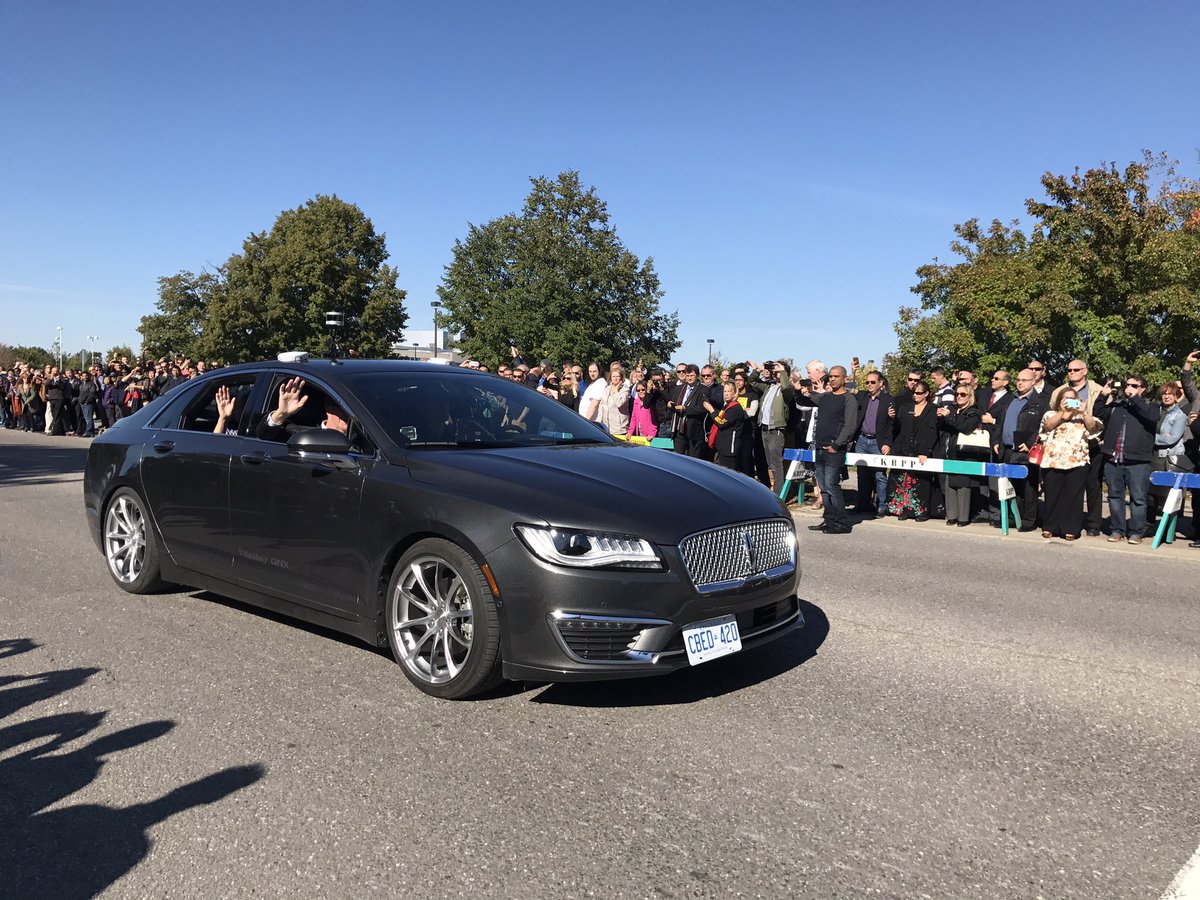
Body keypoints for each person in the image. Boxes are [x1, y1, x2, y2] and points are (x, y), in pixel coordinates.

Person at [1096, 374, 1157, 544]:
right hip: (1113, 458)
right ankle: (1117, 529)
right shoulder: (1118, 404)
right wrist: (1103, 395)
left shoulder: (1151, 405)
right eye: (1127, 385)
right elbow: (1098, 413)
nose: (1129, 388)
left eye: (1134, 386)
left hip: (1138, 461)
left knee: (1138, 498)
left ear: (1143, 389)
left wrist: (1135, 399)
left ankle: (1136, 531)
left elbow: (1152, 418)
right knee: (1115, 496)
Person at [1050, 360, 1106, 536]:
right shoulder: (1059, 391)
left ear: (1085, 371)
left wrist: (1084, 412)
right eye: (1069, 370)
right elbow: (1051, 414)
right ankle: (1063, 523)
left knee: (1093, 486)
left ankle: (1093, 524)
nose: (1072, 372)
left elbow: (1103, 415)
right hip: (1064, 448)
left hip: (1093, 442)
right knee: (1068, 489)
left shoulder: (1097, 389)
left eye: (1076, 369)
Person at [1038, 388, 1099, 540]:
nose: (1069, 401)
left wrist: (1084, 412)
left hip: (1077, 461)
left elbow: (1093, 427)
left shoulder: (1081, 417)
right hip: (1052, 461)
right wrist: (1061, 412)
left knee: (1073, 497)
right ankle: (1050, 526)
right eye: (1065, 398)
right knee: (1052, 495)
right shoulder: (1051, 414)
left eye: (1072, 398)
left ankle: (1070, 528)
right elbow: (1047, 426)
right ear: (1059, 400)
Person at [991, 369, 1046, 531]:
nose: (1020, 383)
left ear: (1033, 381)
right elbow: (1000, 422)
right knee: (1011, 485)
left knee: (1028, 488)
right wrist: (996, 440)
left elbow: (1043, 426)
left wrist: (1030, 443)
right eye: (1018, 380)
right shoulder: (1010, 399)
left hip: (1026, 450)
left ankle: (1029, 520)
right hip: (1007, 449)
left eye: (1024, 380)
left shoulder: (1040, 401)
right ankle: (1013, 517)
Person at [808, 366, 858, 534]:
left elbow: (849, 426)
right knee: (823, 487)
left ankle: (841, 523)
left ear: (844, 379)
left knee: (831, 486)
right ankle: (829, 520)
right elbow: (805, 400)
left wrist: (836, 445)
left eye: (836, 376)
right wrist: (796, 389)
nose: (832, 379)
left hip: (834, 450)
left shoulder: (849, 399)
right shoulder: (825, 397)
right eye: (830, 376)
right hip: (819, 447)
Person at [882, 379, 937, 520]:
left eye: (919, 393)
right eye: (914, 393)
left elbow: (932, 432)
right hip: (902, 448)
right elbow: (897, 428)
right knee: (900, 479)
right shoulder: (905, 407)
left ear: (926, 393)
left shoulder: (933, 409)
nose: (916, 395)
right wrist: (892, 418)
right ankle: (901, 510)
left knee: (919, 481)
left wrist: (925, 451)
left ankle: (919, 512)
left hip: (921, 450)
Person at [935, 383, 983, 527]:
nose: (959, 397)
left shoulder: (973, 412)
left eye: (963, 394)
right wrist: (940, 417)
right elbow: (942, 427)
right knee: (949, 484)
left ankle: (963, 517)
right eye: (957, 394)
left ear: (970, 396)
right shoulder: (952, 409)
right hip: (948, 452)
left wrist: (950, 416)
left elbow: (965, 428)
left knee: (963, 486)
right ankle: (951, 515)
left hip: (963, 454)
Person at [1148, 382, 1191, 526]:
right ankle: (1149, 524)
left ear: (1177, 396)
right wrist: (1160, 436)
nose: (1167, 397)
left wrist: (1150, 438)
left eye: (1171, 394)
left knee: (1167, 495)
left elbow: (1171, 439)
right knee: (1150, 494)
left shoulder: (1180, 416)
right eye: (1164, 394)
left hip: (1168, 457)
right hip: (1153, 455)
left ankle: (1167, 528)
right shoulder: (1155, 411)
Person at [256, 377, 350, 441]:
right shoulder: (300, 434)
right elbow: (263, 436)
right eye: (343, 406)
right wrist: (281, 414)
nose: (348, 413)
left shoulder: (358, 437)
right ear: (328, 406)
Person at [853, 370, 892, 518]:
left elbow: (892, 426)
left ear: (881, 383)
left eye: (872, 382)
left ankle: (882, 506)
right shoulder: (863, 396)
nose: (869, 385)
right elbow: (850, 389)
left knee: (880, 475)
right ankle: (863, 504)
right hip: (862, 440)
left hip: (878, 442)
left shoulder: (889, 400)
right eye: (867, 382)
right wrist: (854, 372)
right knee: (862, 474)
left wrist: (888, 443)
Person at [704, 382, 748, 470]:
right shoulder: (726, 406)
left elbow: (721, 423)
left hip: (729, 448)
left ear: (734, 393)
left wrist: (711, 410)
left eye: (729, 391)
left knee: (729, 472)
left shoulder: (735, 408)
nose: (726, 394)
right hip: (722, 446)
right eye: (724, 391)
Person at [595, 365, 631, 436]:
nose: (615, 378)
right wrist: (598, 423)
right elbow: (602, 406)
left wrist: (616, 391)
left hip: (619, 428)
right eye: (613, 376)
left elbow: (619, 404)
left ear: (621, 378)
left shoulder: (625, 390)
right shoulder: (606, 389)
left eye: (618, 376)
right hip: (606, 427)